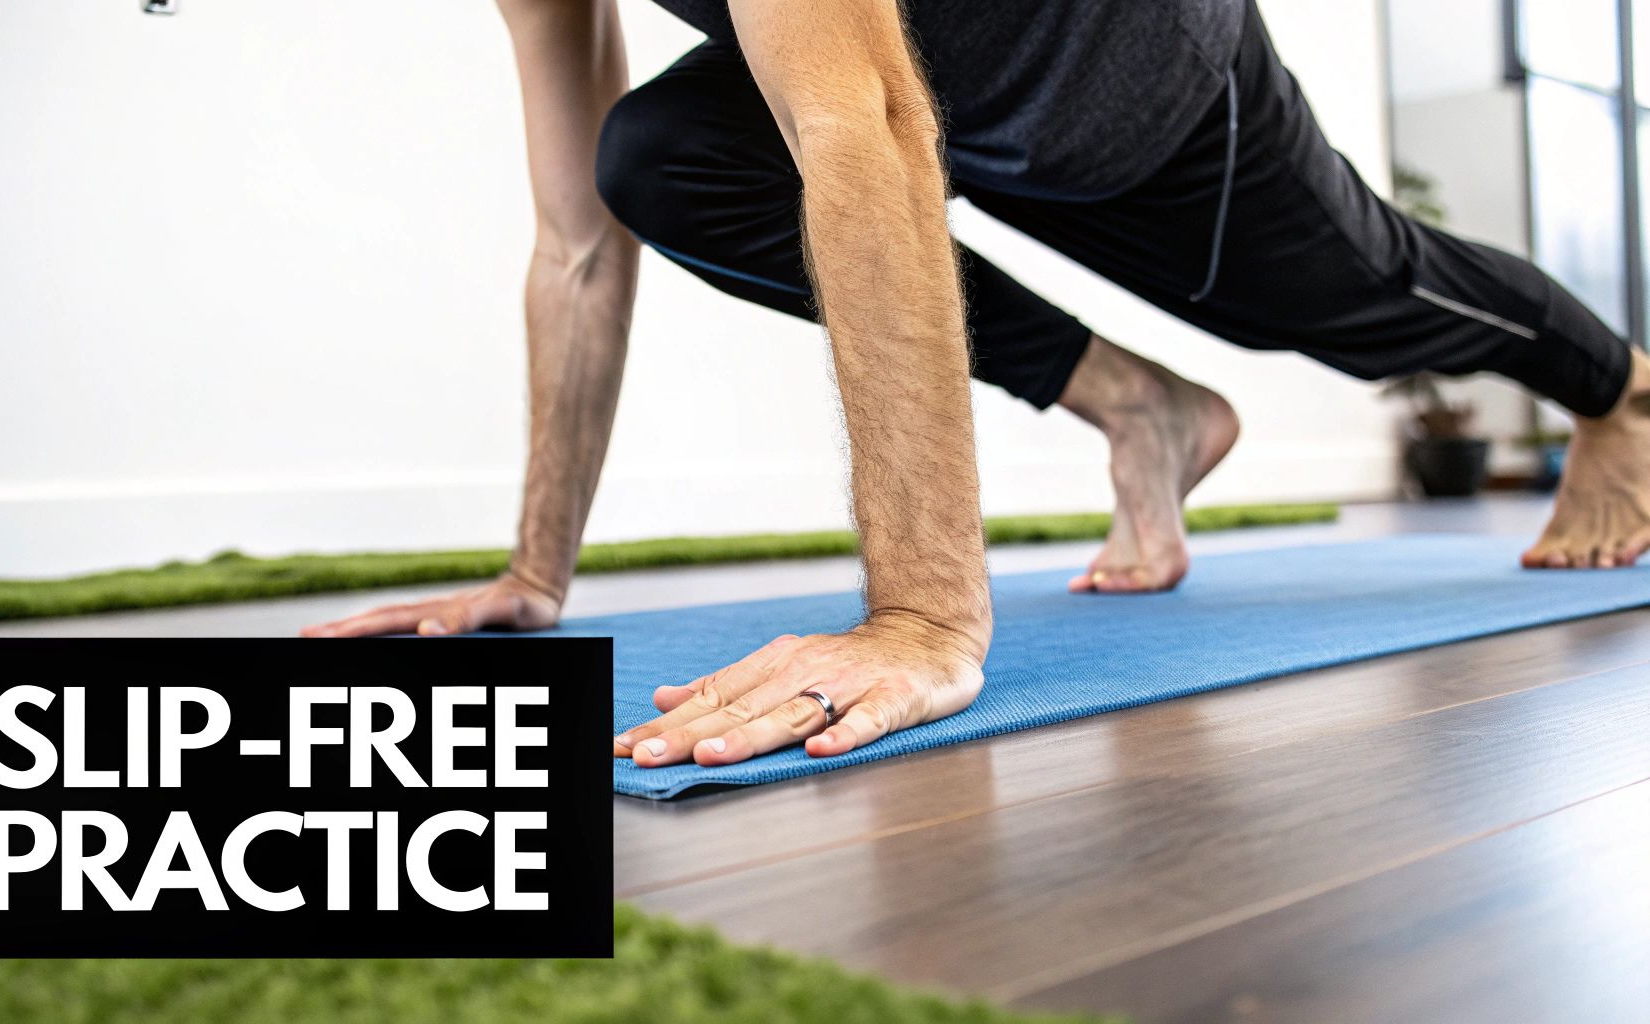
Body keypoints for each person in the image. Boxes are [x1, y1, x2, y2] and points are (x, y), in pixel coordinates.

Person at [307, 0, 1650, 772]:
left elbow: (871, 126)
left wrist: (924, 622)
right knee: (661, 159)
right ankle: (1145, 407)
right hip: (944, 65)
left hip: (1135, 75)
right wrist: (534, 576)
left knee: (1367, 305)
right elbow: (577, 248)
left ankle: (1620, 390)